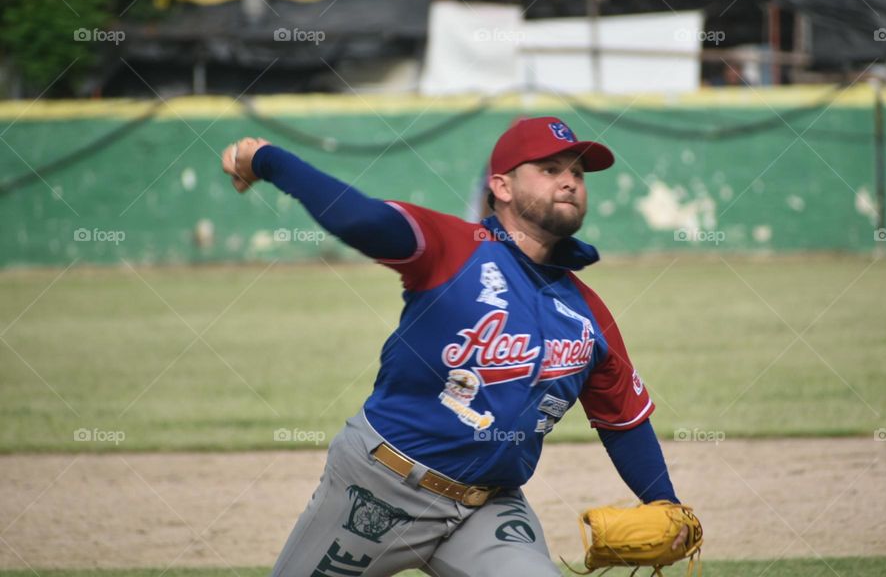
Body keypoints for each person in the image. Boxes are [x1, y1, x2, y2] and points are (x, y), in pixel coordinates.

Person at [220, 116, 687, 577]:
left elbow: (623, 420)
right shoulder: (452, 248)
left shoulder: (588, 314)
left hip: (489, 509)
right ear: (501, 187)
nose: (569, 182)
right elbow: (359, 218)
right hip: (379, 488)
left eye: (578, 174)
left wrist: (665, 504)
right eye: (550, 169)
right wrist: (267, 160)